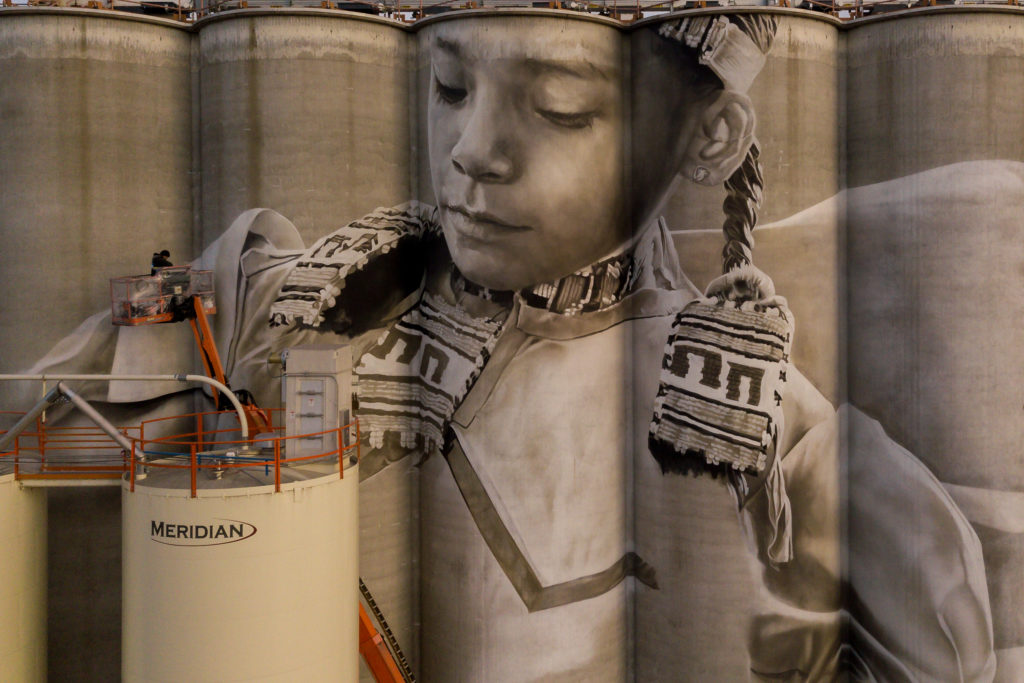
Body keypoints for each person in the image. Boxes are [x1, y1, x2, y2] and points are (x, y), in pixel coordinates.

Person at [19, 13, 995, 681]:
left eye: (560, 107)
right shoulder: (292, 294)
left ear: (711, 135)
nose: (472, 149)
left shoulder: (778, 435)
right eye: (448, 87)